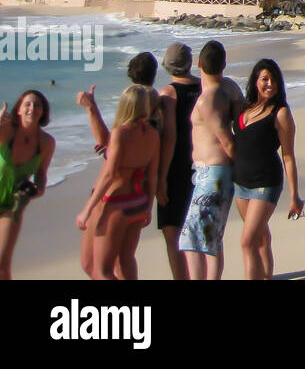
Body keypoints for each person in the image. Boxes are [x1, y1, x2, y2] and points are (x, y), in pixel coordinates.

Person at [76, 85, 159, 281]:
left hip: (114, 203)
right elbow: (152, 174)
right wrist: (148, 206)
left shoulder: (121, 132)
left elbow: (109, 175)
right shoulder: (152, 134)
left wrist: (87, 209)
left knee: (101, 270)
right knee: (124, 260)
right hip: (138, 202)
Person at [178, 40, 245, 280]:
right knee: (211, 237)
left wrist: (242, 169)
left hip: (213, 173)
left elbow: (227, 141)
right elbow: (242, 126)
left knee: (191, 238)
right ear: (224, 64)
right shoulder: (231, 88)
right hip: (215, 174)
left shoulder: (210, 99)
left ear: (198, 64)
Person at [233, 59, 305, 280]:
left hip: (266, 183)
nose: (269, 84)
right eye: (264, 79)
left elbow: (288, 156)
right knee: (261, 237)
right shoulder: (244, 108)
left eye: (273, 79)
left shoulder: (280, 113)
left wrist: (294, 196)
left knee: (247, 241)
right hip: (240, 183)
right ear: (256, 81)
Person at [156, 43, 201, 280]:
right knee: (197, 230)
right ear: (190, 62)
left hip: (176, 168)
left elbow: (169, 137)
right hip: (203, 164)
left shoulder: (168, 94)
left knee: (172, 232)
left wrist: (160, 178)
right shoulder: (205, 87)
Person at [0, 90, 55, 280]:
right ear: (18, 110)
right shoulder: (6, 131)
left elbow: (41, 175)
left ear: (43, 111)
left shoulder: (46, 142)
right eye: (28, 104)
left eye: (37, 105)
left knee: (2, 264)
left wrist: (37, 191)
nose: (32, 108)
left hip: (13, 205)